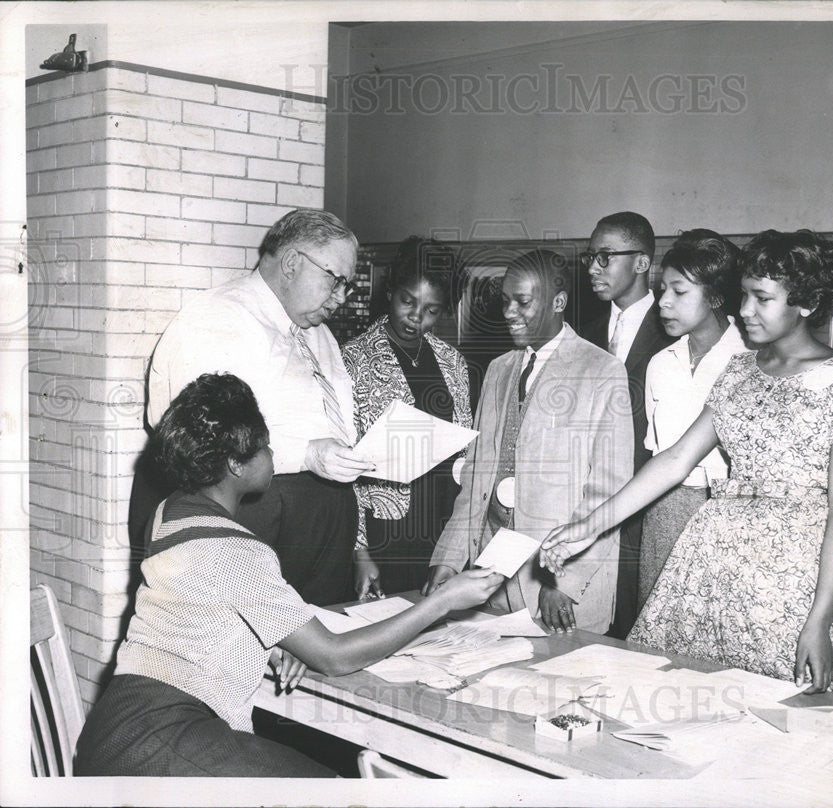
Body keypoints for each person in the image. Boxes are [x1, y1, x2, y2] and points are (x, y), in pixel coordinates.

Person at [541, 230, 833, 720]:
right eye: (745, 296)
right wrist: (587, 527)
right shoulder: (738, 372)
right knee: (700, 706)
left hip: (805, 569)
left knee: (817, 719)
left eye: (763, 299)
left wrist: (819, 621)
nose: (747, 311)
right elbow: (675, 460)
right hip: (719, 560)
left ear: (806, 303)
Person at [75, 373, 503, 776]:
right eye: (264, 446)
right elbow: (334, 657)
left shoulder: (169, 511)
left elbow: (196, 608)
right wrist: (441, 601)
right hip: (160, 743)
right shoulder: (236, 550)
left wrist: (272, 638)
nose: (273, 455)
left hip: (115, 726)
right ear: (236, 465)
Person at [146, 209, 373, 606]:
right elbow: (199, 438)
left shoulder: (318, 334)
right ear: (291, 263)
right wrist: (307, 453)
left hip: (322, 520)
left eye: (346, 286)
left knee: (317, 641)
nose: (340, 297)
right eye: (334, 280)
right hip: (255, 512)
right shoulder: (217, 318)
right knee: (251, 651)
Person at [423, 249, 632, 634]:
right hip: (493, 576)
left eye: (522, 302)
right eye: (505, 301)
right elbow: (476, 478)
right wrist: (449, 560)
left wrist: (563, 582)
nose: (509, 312)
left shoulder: (602, 371)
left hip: (559, 590)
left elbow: (607, 493)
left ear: (558, 302)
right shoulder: (498, 369)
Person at [343, 237, 473, 596]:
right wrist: (359, 550)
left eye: (431, 310)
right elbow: (344, 473)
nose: (416, 317)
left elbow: (464, 452)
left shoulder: (452, 362)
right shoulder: (353, 360)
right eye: (408, 301)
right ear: (390, 293)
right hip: (386, 532)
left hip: (444, 529)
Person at [638, 229, 749, 606]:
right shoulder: (660, 365)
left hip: (729, 516)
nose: (663, 303)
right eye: (663, 289)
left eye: (679, 291)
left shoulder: (752, 364)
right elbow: (659, 457)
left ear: (716, 295)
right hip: (665, 512)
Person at [579, 211, 674, 638]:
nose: (593, 268)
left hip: (647, 505)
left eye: (605, 257)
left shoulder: (675, 334)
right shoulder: (583, 333)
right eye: (589, 257)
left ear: (641, 263)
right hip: (587, 500)